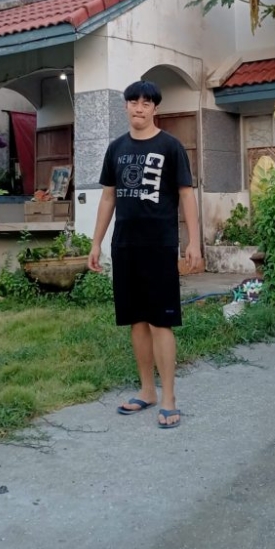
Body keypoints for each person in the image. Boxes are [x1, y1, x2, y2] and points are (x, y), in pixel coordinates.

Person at [88, 79, 202, 428]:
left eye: (146, 103)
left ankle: (169, 397)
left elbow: (186, 194)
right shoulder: (116, 148)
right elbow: (109, 196)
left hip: (159, 245)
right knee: (136, 321)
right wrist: (96, 242)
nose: (139, 108)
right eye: (133, 102)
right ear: (126, 106)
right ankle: (147, 390)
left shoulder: (170, 146)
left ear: (155, 109)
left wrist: (193, 242)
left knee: (160, 321)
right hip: (125, 245)